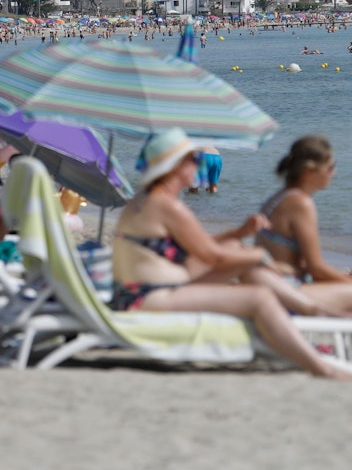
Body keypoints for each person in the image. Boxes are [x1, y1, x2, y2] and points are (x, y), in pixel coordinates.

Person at [111, 128, 350, 379]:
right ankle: (321, 367)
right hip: (150, 299)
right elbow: (213, 257)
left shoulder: (148, 199)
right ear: (175, 165)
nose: (199, 165)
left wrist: (240, 234)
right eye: (194, 160)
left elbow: (201, 246)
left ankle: (312, 310)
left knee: (237, 251)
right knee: (259, 298)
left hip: (142, 292)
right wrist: (259, 256)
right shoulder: (167, 205)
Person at [256, 135, 352, 312]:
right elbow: (315, 268)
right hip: (286, 291)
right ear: (309, 172)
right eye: (330, 167)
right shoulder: (301, 203)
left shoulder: (279, 197)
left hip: (273, 284)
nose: (334, 172)